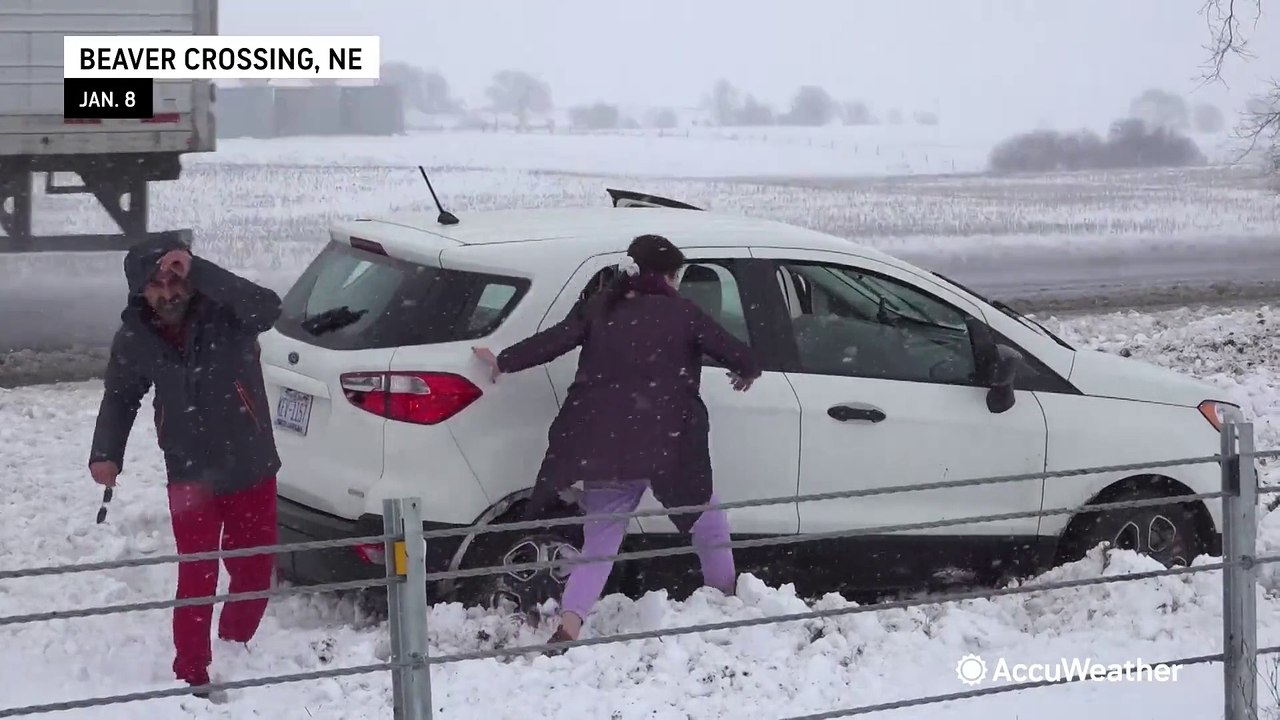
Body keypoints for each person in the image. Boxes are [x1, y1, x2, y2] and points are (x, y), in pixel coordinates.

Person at [472, 234, 762, 645]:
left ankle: (569, 626)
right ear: (672, 276)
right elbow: (743, 357)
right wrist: (745, 373)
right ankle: (727, 602)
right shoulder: (684, 314)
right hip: (667, 446)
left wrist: (504, 361)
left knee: (601, 541)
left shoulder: (602, 307)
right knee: (709, 523)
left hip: (605, 445)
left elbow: (554, 340)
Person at [87, 236, 283, 696]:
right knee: (197, 573)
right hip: (188, 470)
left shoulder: (227, 312)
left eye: (177, 280)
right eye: (157, 284)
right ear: (140, 290)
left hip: (249, 463)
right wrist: (106, 452)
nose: (170, 292)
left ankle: (235, 644)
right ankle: (190, 673)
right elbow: (120, 396)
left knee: (254, 571)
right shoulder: (135, 336)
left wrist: (200, 270)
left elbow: (269, 309)